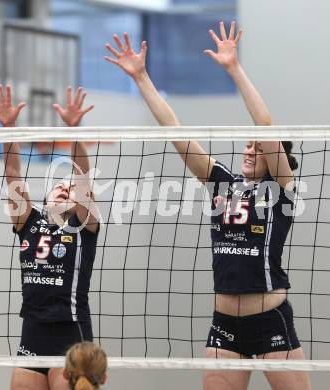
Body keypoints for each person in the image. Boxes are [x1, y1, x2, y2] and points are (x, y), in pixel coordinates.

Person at [105, 22, 311, 390]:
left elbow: (264, 124)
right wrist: (141, 78)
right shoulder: (222, 182)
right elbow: (176, 133)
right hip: (224, 325)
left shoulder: (281, 192)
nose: (250, 149)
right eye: (246, 145)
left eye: (257, 147)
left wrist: (234, 68)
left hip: (270, 321)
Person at [0, 85, 99, 390]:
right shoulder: (27, 220)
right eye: (58, 186)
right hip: (32, 332)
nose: (65, 188)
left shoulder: (82, 224)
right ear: (46, 196)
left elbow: (82, 176)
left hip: (71, 332)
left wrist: (73, 131)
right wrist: (8, 128)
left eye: (69, 188)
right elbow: (12, 173)